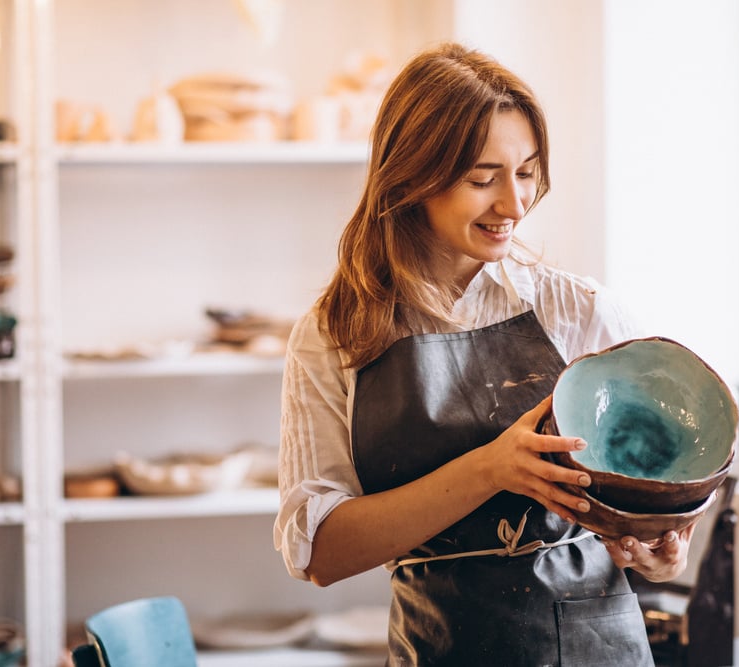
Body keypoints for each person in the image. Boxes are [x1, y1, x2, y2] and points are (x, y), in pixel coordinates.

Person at [274, 42, 695, 665]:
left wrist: (660, 549)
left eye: (526, 173)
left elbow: (659, 500)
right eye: (482, 178)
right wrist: (490, 469)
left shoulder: (579, 311)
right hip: (440, 648)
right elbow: (320, 554)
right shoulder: (336, 334)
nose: (514, 204)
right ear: (410, 175)